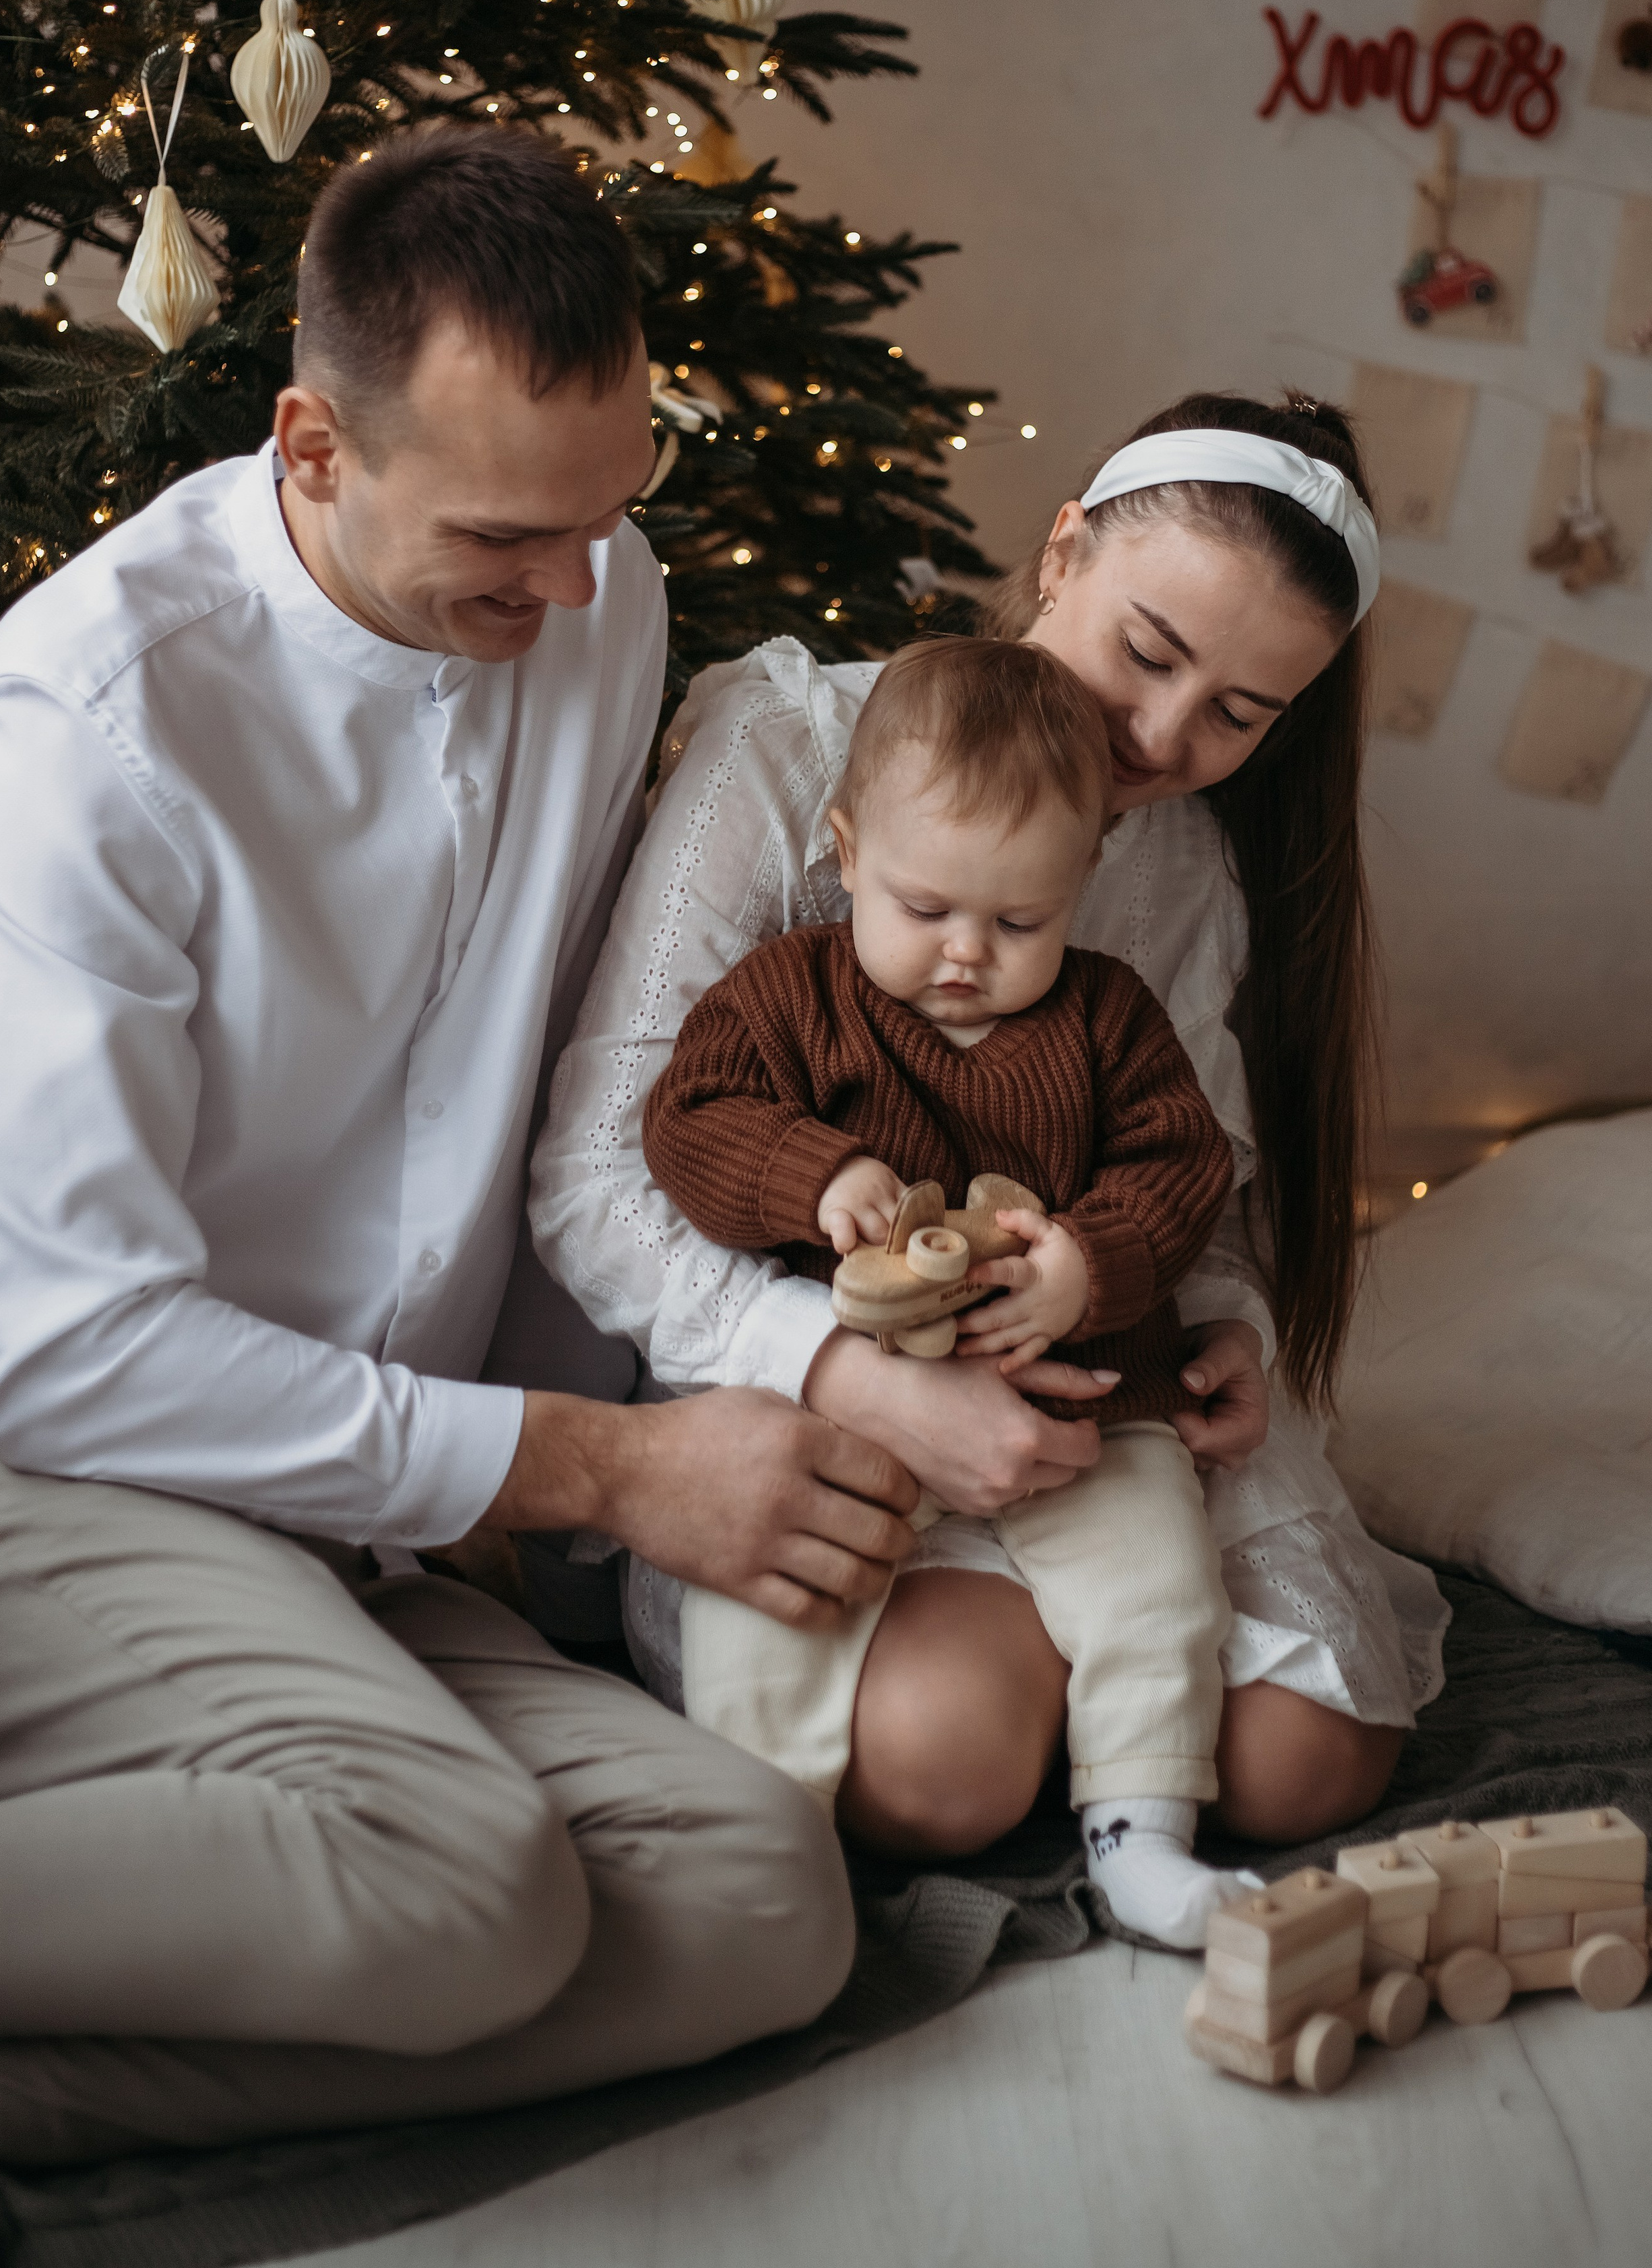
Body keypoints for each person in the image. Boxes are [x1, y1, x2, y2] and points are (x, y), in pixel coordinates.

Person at [0, 125, 922, 2170]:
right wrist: (612, 1470)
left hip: (360, 1512)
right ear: (309, 446)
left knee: (765, 1904)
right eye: (500, 545)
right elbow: (71, 1354)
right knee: (465, 1877)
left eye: (601, 522)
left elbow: (555, 1081)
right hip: (32, 1464)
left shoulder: (598, 588)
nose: (567, 594)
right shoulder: (86, 726)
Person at [532, 392, 1453, 1858]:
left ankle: (1101, 1721)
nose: (1154, 734)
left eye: (1235, 714)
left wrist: (1228, 1330)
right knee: (939, 1771)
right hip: (813, 1386)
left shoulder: (1185, 868)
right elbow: (597, 1171)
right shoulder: (789, 755)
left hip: (1097, 1392)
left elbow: (1190, 1178)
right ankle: (1032, 1692)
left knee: (1302, 1766)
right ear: (1062, 551)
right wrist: (849, 1373)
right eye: (1146, 652)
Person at [644, 635, 1252, 1947]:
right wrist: (812, 1176)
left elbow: (1180, 1161)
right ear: (846, 849)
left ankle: (1141, 1836)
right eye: (924, 910)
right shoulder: (789, 995)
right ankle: (764, 1831)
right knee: (769, 1592)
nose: (965, 955)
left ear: (1079, 885)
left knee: (1157, 1584)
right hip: (851, 1401)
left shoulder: (1105, 1016)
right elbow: (687, 1120)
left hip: (1081, 1401)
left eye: (1017, 921)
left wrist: (1088, 1262)